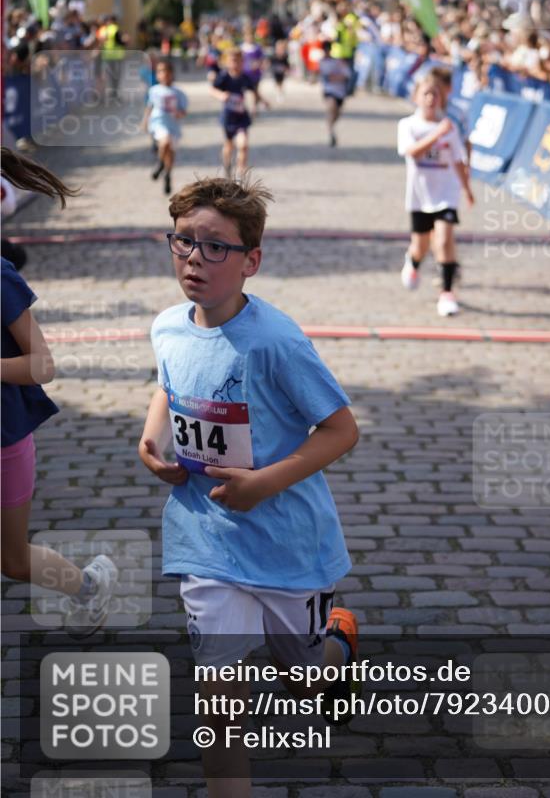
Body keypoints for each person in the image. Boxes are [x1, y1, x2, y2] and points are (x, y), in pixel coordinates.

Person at [138, 175, 360, 795]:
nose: (193, 259)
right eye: (182, 242)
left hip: (290, 548)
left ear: (251, 262)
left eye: (215, 247)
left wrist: (262, 484)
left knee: (305, 683)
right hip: (207, 544)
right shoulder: (168, 326)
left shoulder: (276, 341)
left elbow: (341, 430)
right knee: (220, 706)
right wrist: (151, 441)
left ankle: (337, 640)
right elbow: (168, 384)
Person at [0, 148, 118, 635]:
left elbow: (42, 364)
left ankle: (89, 586)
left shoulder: (1, 280)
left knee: (12, 560)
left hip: (5, 442)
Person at [397, 70, 474, 317]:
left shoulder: (448, 128)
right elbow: (412, 151)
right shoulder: (408, 125)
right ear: (416, 97)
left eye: (436, 94)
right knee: (421, 245)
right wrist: (437, 134)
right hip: (420, 195)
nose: (431, 98)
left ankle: (447, 293)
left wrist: (467, 188)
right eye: (426, 94)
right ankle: (413, 261)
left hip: (446, 193)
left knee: (443, 240)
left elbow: (458, 161)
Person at [210, 48, 269, 177]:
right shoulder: (224, 76)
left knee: (243, 145)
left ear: (242, 62)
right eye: (232, 61)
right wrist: (220, 95)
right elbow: (212, 90)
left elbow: (254, 91)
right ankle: (227, 167)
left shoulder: (245, 77)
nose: (235, 64)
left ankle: (240, 174)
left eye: (238, 61)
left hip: (241, 116)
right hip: (228, 117)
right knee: (229, 146)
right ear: (227, 62)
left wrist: (263, 101)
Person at [141, 58, 188, 196]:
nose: (164, 75)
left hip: (173, 125)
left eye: (167, 72)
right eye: (161, 72)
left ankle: (167, 174)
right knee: (164, 142)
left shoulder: (178, 92)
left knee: (171, 153)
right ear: (157, 75)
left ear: (172, 74)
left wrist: (179, 114)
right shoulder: (154, 90)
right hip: (159, 123)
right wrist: (145, 121)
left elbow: (183, 110)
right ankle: (161, 163)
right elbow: (150, 106)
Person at [319, 40, 350, 147]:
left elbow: (347, 75)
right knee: (331, 108)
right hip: (329, 91)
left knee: (337, 113)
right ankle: (331, 132)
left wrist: (336, 78)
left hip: (340, 92)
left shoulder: (338, 62)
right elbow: (326, 77)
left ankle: (331, 126)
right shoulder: (322, 62)